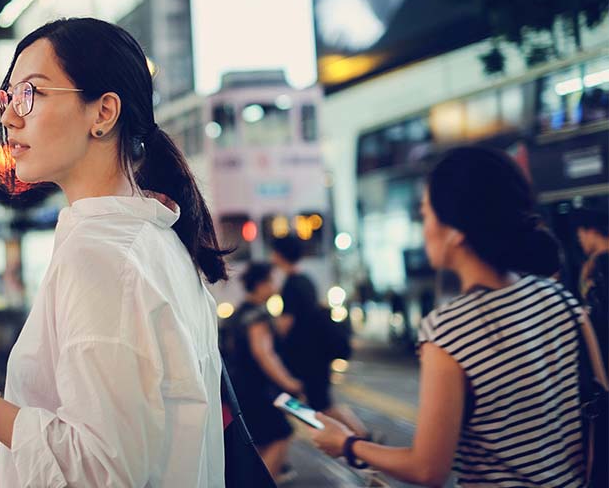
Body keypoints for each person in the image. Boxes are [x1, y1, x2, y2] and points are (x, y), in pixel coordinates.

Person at [0, 17, 230, 486]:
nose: (10, 116)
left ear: (103, 113)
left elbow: (101, 469)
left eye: (31, 94)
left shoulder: (104, 257)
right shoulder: (157, 240)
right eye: (9, 98)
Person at [310, 146, 609, 486]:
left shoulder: (448, 331)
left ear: (456, 232)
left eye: (426, 216)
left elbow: (427, 469)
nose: (423, 229)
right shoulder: (561, 301)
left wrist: (347, 444)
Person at [270, 235, 367, 437]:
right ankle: (356, 437)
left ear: (280, 255)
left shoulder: (291, 285)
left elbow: (285, 324)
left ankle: (362, 438)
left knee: (319, 405)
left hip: (306, 357)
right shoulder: (306, 280)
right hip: (315, 354)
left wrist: (270, 334)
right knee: (318, 403)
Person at [220, 262, 301, 479]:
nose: (275, 286)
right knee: (281, 435)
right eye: (272, 281)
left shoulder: (240, 313)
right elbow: (264, 355)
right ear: (261, 284)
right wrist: (289, 382)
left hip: (239, 389)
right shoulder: (257, 317)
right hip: (256, 390)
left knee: (260, 444)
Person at [574, 206, 609, 370]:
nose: (580, 241)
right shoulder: (593, 263)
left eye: (581, 235)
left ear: (592, 231)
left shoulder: (599, 263)